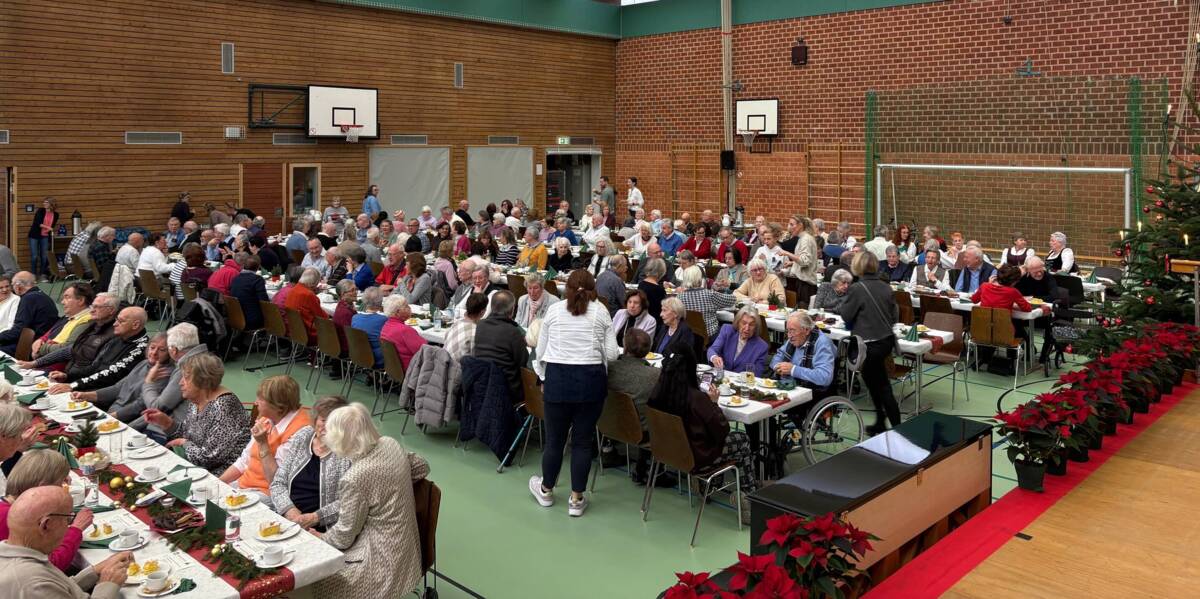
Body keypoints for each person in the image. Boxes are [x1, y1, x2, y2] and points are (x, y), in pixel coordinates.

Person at [311, 404, 429, 598]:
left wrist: (320, 538)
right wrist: (393, 490)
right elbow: (421, 467)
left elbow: (344, 536)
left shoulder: (355, 478)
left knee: (314, 579)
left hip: (380, 565)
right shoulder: (390, 444)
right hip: (409, 554)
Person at [530, 271, 617, 517]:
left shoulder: (555, 311)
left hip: (558, 379)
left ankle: (546, 489)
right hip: (591, 382)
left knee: (555, 440)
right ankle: (576, 499)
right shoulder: (600, 312)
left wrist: (544, 377)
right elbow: (611, 354)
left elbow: (540, 351)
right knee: (582, 442)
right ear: (593, 289)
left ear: (566, 288)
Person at [647, 347, 758, 515]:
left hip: (668, 451)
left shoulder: (657, 393)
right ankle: (748, 496)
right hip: (697, 455)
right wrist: (714, 403)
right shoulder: (696, 398)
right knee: (741, 440)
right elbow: (722, 429)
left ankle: (710, 484)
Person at [0, 486, 132, 597]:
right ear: (46, 525)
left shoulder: (16, 555)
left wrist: (95, 571)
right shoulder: (31, 582)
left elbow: (59, 588)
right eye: (68, 520)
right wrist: (108, 585)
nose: (69, 526)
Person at [140, 352, 250, 473]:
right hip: (195, 468)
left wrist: (184, 443)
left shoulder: (224, 406)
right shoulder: (196, 400)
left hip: (221, 476)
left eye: (186, 378)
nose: (180, 382)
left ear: (202, 381)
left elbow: (209, 458)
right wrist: (167, 423)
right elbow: (189, 435)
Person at [219, 376, 311, 502]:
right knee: (210, 495)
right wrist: (217, 483)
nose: (255, 402)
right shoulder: (267, 419)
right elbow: (244, 461)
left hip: (267, 494)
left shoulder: (300, 432)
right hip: (245, 485)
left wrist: (263, 443)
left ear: (278, 405)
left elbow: (276, 481)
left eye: (261, 399)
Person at [838, 252, 900, 435]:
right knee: (874, 379)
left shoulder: (857, 288)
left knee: (881, 384)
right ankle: (881, 420)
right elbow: (895, 316)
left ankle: (897, 428)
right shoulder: (886, 287)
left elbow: (846, 315)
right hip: (885, 341)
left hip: (869, 344)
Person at [270, 396, 353, 533]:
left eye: (334, 422)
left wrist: (314, 518)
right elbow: (278, 482)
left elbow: (349, 503)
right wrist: (292, 513)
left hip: (324, 531)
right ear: (315, 421)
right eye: (324, 420)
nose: (327, 427)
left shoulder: (348, 453)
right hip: (288, 520)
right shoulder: (304, 436)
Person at [0, 451, 91, 572]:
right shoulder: (12, 517)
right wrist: (76, 529)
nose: (65, 486)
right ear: (42, 486)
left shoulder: (9, 505)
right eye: (61, 483)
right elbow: (50, 566)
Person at [43, 305, 148, 394]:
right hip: (91, 385)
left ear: (135, 325)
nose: (115, 324)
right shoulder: (117, 338)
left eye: (121, 321)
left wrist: (74, 385)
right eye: (116, 319)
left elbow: (110, 374)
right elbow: (95, 367)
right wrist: (68, 376)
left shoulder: (141, 348)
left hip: (105, 392)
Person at [73, 332, 171, 424]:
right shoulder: (143, 363)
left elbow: (141, 405)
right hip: (112, 412)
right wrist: (85, 395)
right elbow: (118, 388)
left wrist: (110, 417)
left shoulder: (164, 373)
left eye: (162, 350)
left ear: (170, 353)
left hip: (126, 420)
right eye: (152, 347)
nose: (154, 353)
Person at [127, 323, 205, 436]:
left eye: (165, 349)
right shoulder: (203, 358)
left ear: (173, 350)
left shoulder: (186, 367)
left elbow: (157, 408)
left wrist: (149, 383)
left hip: (171, 433)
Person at [24, 292, 117, 379]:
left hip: (76, 380)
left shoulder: (113, 335)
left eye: (97, 307)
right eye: (92, 306)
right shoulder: (93, 326)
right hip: (66, 373)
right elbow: (70, 350)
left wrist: (68, 376)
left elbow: (96, 367)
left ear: (111, 310)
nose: (92, 311)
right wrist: (35, 363)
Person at [473, 291, 529, 403]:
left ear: (491, 306)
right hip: (507, 389)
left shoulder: (480, 325)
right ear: (512, 310)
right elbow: (523, 362)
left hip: (482, 384)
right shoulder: (513, 332)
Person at [769, 311, 836, 392]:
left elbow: (825, 377)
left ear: (807, 330)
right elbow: (778, 357)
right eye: (788, 331)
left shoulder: (822, 343)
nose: (789, 336)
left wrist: (794, 370)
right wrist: (778, 366)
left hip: (811, 392)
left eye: (793, 331)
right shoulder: (793, 339)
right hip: (786, 386)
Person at [0, 272, 58, 354]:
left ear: (18, 286)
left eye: (12, 285)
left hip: (33, 344)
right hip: (41, 339)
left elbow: (18, 331)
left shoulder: (29, 299)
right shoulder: (40, 294)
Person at [32, 282, 93, 359]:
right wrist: (40, 340)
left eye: (67, 297)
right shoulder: (69, 317)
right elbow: (50, 333)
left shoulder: (87, 320)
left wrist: (41, 349)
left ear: (81, 300)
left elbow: (68, 348)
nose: (62, 302)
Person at [707, 306, 769, 374]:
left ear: (756, 327)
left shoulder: (762, 347)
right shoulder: (727, 330)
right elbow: (712, 349)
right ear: (738, 322)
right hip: (721, 377)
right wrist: (714, 357)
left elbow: (757, 374)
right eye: (744, 323)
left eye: (751, 325)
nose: (747, 328)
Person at [678, 266, 735, 339]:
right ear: (699, 279)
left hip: (688, 337)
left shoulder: (679, 298)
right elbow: (732, 300)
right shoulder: (709, 294)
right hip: (710, 335)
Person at [380, 295, 426, 370]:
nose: (410, 308)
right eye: (406, 306)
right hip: (412, 369)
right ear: (398, 312)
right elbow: (425, 352)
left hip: (395, 368)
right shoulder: (405, 330)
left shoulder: (386, 326)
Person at [284, 267, 328, 345]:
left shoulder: (293, 289)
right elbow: (322, 317)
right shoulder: (308, 295)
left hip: (294, 329)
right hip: (309, 333)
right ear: (314, 282)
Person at [443, 292, 487, 362]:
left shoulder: (455, 325)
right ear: (482, 312)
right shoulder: (475, 333)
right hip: (457, 370)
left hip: (442, 366)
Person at [229, 254, 269, 329]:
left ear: (243, 265)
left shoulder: (235, 278)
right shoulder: (257, 280)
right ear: (258, 267)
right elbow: (264, 302)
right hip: (252, 319)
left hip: (235, 317)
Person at [351, 287, 387, 368]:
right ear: (380, 302)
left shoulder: (355, 317)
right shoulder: (383, 320)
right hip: (377, 358)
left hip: (358, 354)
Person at [29, 197, 59, 282]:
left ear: (51, 204)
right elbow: (38, 223)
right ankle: (33, 276)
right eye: (44, 202)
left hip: (45, 236)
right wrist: (48, 227)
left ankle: (42, 275)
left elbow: (52, 225)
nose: (44, 204)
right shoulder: (40, 211)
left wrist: (49, 229)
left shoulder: (56, 214)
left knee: (44, 256)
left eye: (46, 202)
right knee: (35, 256)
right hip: (34, 235)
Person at [638, 257, 668, 323]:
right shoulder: (658, 289)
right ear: (661, 271)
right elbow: (661, 309)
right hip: (654, 321)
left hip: (641, 318)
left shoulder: (641, 284)